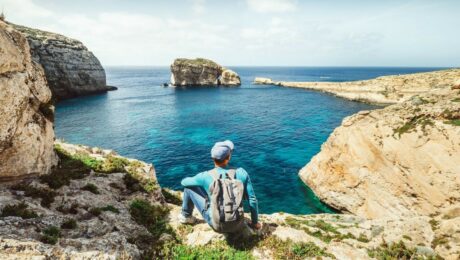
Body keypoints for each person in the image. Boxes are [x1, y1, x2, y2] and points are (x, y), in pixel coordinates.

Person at [179, 140, 261, 231]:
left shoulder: (205, 176)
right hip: (238, 224)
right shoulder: (241, 172)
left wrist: (200, 181)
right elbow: (252, 200)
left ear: (212, 158)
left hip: (217, 225)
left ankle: (186, 216)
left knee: (188, 188)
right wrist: (255, 223)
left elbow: (184, 182)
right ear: (229, 157)